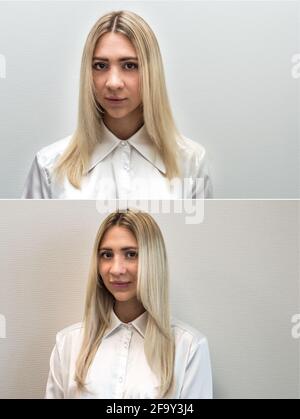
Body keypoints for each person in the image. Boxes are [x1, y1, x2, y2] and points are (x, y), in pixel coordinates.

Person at [22, 10, 212, 199]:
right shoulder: (49, 166)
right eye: (100, 66)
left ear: (151, 73)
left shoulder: (191, 163)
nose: (113, 83)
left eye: (129, 65)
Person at [45, 209, 213, 398]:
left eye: (131, 254)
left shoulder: (189, 347)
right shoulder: (68, 343)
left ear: (153, 260)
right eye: (107, 255)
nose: (116, 269)